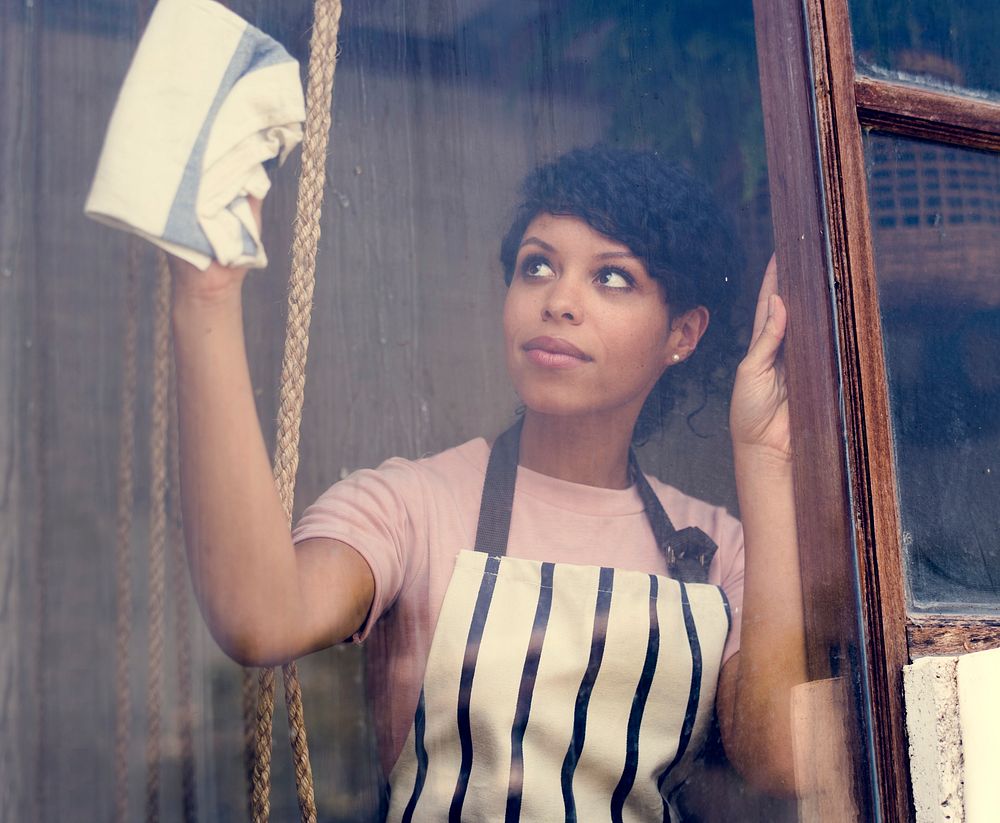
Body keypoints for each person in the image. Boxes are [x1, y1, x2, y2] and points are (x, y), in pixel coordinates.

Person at [169, 146, 806, 820]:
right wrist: (205, 297)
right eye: (538, 266)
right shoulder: (410, 505)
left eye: (612, 277)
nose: (558, 301)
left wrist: (764, 458)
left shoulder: (722, 548)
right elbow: (259, 617)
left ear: (682, 332)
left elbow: (776, 760)